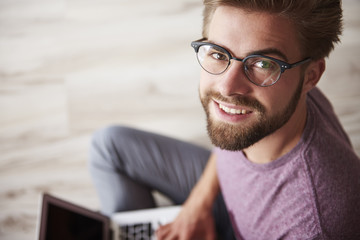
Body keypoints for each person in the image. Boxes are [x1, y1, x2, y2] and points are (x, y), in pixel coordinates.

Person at [89, 0, 360, 239]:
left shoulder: (313, 227)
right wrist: (198, 205)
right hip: (227, 198)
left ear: (311, 76)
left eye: (262, 63)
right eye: (219, 54)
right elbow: (227, 136)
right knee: (108, 144)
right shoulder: (283, 87)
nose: (227, 87)